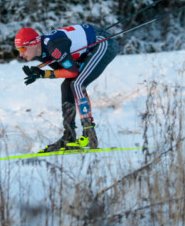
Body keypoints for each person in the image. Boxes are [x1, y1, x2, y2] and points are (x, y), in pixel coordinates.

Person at [15, 24, 120, 152]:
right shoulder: (40, 53)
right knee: (67, 86)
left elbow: (72, 72)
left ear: (33, 43)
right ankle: (69, 136)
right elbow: (64, 69)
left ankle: (89, 133)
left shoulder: (54, 46)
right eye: (18, 49)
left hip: (103, 42)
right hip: (89, 44)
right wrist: (41, 73)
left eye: (22, 48)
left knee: (77, 84)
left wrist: (43, 74)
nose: (21, 54)